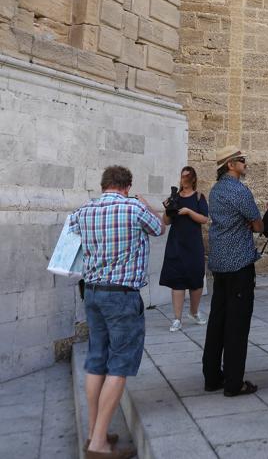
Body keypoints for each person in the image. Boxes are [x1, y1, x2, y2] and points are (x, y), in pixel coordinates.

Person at [68, 165, 164, 459]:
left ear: (104, 184)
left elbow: (72, 242)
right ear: (126, 186)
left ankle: (94, 431)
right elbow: (159, 228)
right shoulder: (133, 208)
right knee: (120, 364)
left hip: (93, 293)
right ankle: (98, 443)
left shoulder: (83, 211)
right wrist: (146, 204)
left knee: (96, 359)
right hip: (121, 295)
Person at [202, 146, 263, 396]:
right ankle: (234, 382)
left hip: (219, 264)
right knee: (237, 325)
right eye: (241, 160)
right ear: (230, 165)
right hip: (238, 264)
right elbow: (258, 224)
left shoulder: (215, 191)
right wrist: (252, 223)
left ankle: (212, 377)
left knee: (217, 321)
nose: (245, 163)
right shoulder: (239, 190)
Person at [159, 166, 209, 331]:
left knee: (196, 278)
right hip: (176, 243)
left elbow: (204, 219)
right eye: (182, 176)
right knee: (177, 281)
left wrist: (188, 212)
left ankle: (194, 312)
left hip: (193, 244)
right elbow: (166, 222)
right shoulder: (174, 197)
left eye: (187, 176)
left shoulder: (199, 197)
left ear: (193, 178)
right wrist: (168, 209)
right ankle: (177, 319)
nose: (184, 179)